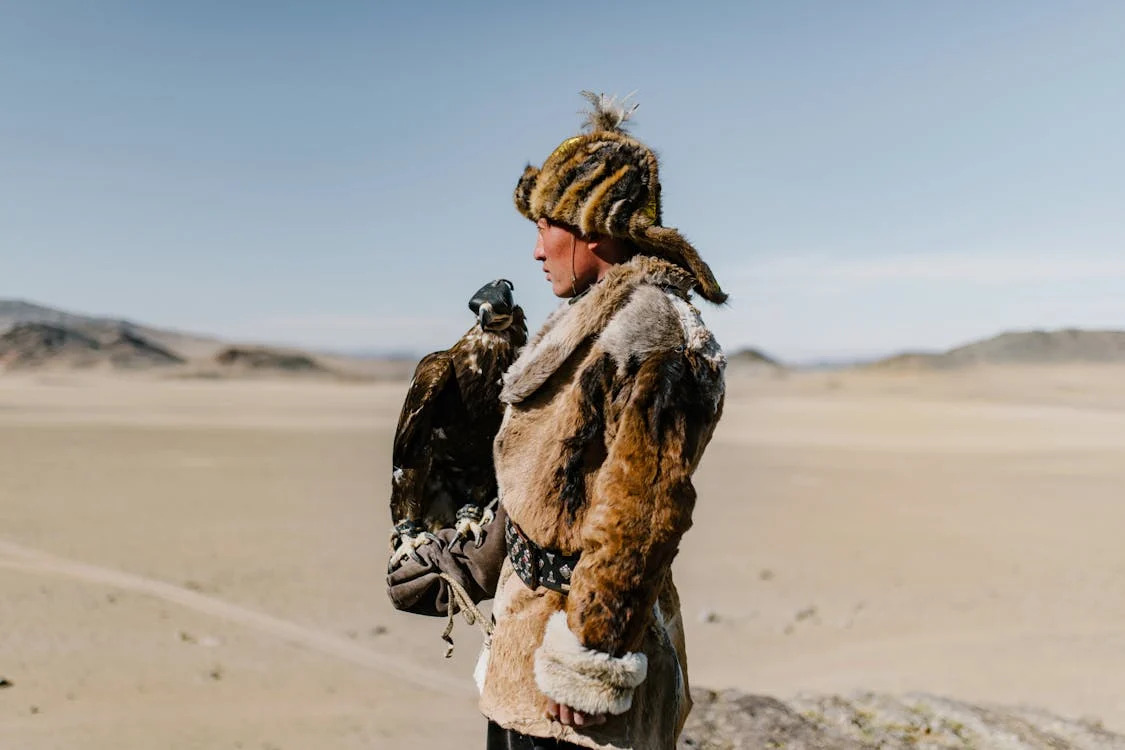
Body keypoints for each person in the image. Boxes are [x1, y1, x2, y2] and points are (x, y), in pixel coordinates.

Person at [389, 92, 727, 750]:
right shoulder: (585, 322)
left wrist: (590, 663)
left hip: (578, 671)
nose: (537, 251)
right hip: (529, 642)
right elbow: (548, 482)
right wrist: (474, 563)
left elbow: (643, 508)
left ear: (591, 224)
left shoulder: (649, 329)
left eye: (545, 226)